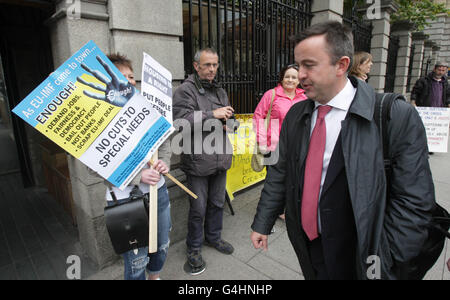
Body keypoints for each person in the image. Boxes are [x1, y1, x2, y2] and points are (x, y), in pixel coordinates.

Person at [250, 21, 436, 280]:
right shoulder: (296, 114)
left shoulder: (393, 116)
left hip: (362, 257)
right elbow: (280, 173)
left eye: (309, 65)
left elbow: (414, 203)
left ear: (342, 64)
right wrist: (263, 221)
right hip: (309, 246)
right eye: (298, 64)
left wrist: (383, 262)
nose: (299, 74)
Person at [105, 53, 172, 280]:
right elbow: (94, 168)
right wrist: (137, 176)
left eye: (131, 76)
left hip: (159, 193)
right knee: (136, 260)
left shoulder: (148, 108)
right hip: (126, 201)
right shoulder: (101, 118)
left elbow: (164, 142)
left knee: (162, 244)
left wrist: (165, 161)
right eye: (121, 76)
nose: (129, 80)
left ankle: (154, 276)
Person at [173, 48, 237, 275]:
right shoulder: (184, 90)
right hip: (198, 161)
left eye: (215, 65)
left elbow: (229, 117)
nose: (212, 69)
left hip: (220, 157)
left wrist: (231, 124)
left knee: (218, 202)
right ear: (196, 65)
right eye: (207, 65)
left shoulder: (219, 89)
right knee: (198, 208)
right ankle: (194, 247)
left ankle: (213, 238)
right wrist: (213, 115)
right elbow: (180, 122)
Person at [253, 64, 307, 155]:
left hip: (297, 148)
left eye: (294, 77)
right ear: (282, 79)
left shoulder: (304, 98)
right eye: (287, 77)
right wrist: (262, 142)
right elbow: (258, 118)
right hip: (274, 148)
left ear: (299, 81)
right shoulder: (271, 94)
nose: (290, 80)